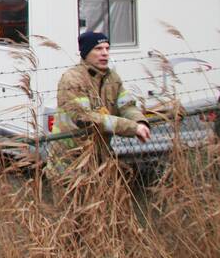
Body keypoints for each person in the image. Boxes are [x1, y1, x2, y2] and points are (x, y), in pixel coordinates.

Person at [51, 31, 151, 166]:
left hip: (100, 159)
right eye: (98, 49)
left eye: (107, 48)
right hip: (70, 161)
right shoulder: (72, 79)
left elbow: (127, 106)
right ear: (85, 53)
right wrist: (132, 127)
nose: (105, 53)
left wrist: (140, 122)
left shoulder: (112, 78)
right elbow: (84, 118)